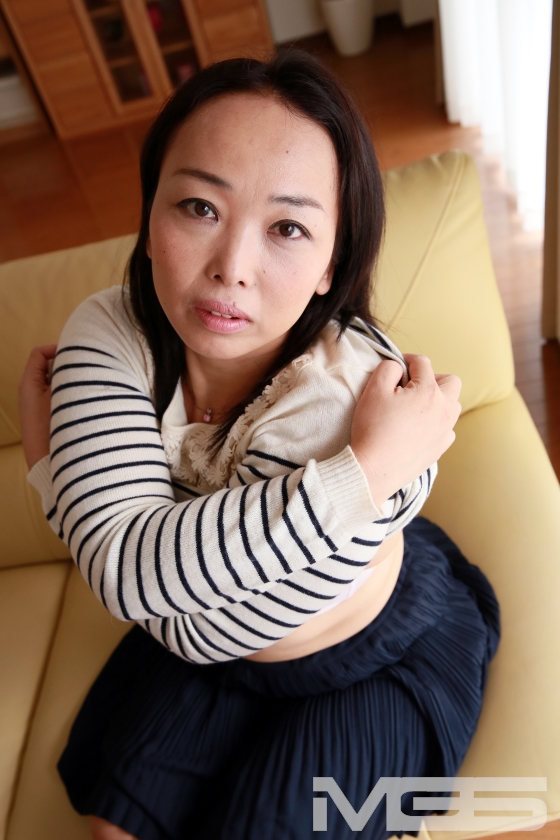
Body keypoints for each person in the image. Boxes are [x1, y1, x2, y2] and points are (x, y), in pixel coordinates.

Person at [18, 50, 499, 840]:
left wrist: (58, 482)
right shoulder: (107, 332)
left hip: (372, 650)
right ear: (149, 217)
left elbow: (173, 605)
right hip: (213, 656)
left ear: (331, 265)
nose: (230, 270)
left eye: (287, 227)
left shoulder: (347, 393)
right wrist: (357, 478)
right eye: (198, 207)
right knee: (113, 829)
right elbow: (132, 575)